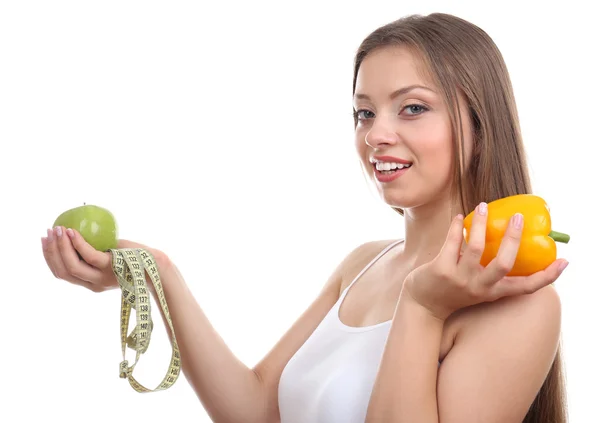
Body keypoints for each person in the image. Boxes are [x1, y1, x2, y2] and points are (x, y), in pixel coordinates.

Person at [41, 12, 569, 423]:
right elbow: (255, 412)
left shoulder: (519, 304)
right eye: (365, 112)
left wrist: (424, 307)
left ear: (481, 124)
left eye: (411, 108)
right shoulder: (363, 264)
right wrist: (156, 271)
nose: (376, 134)